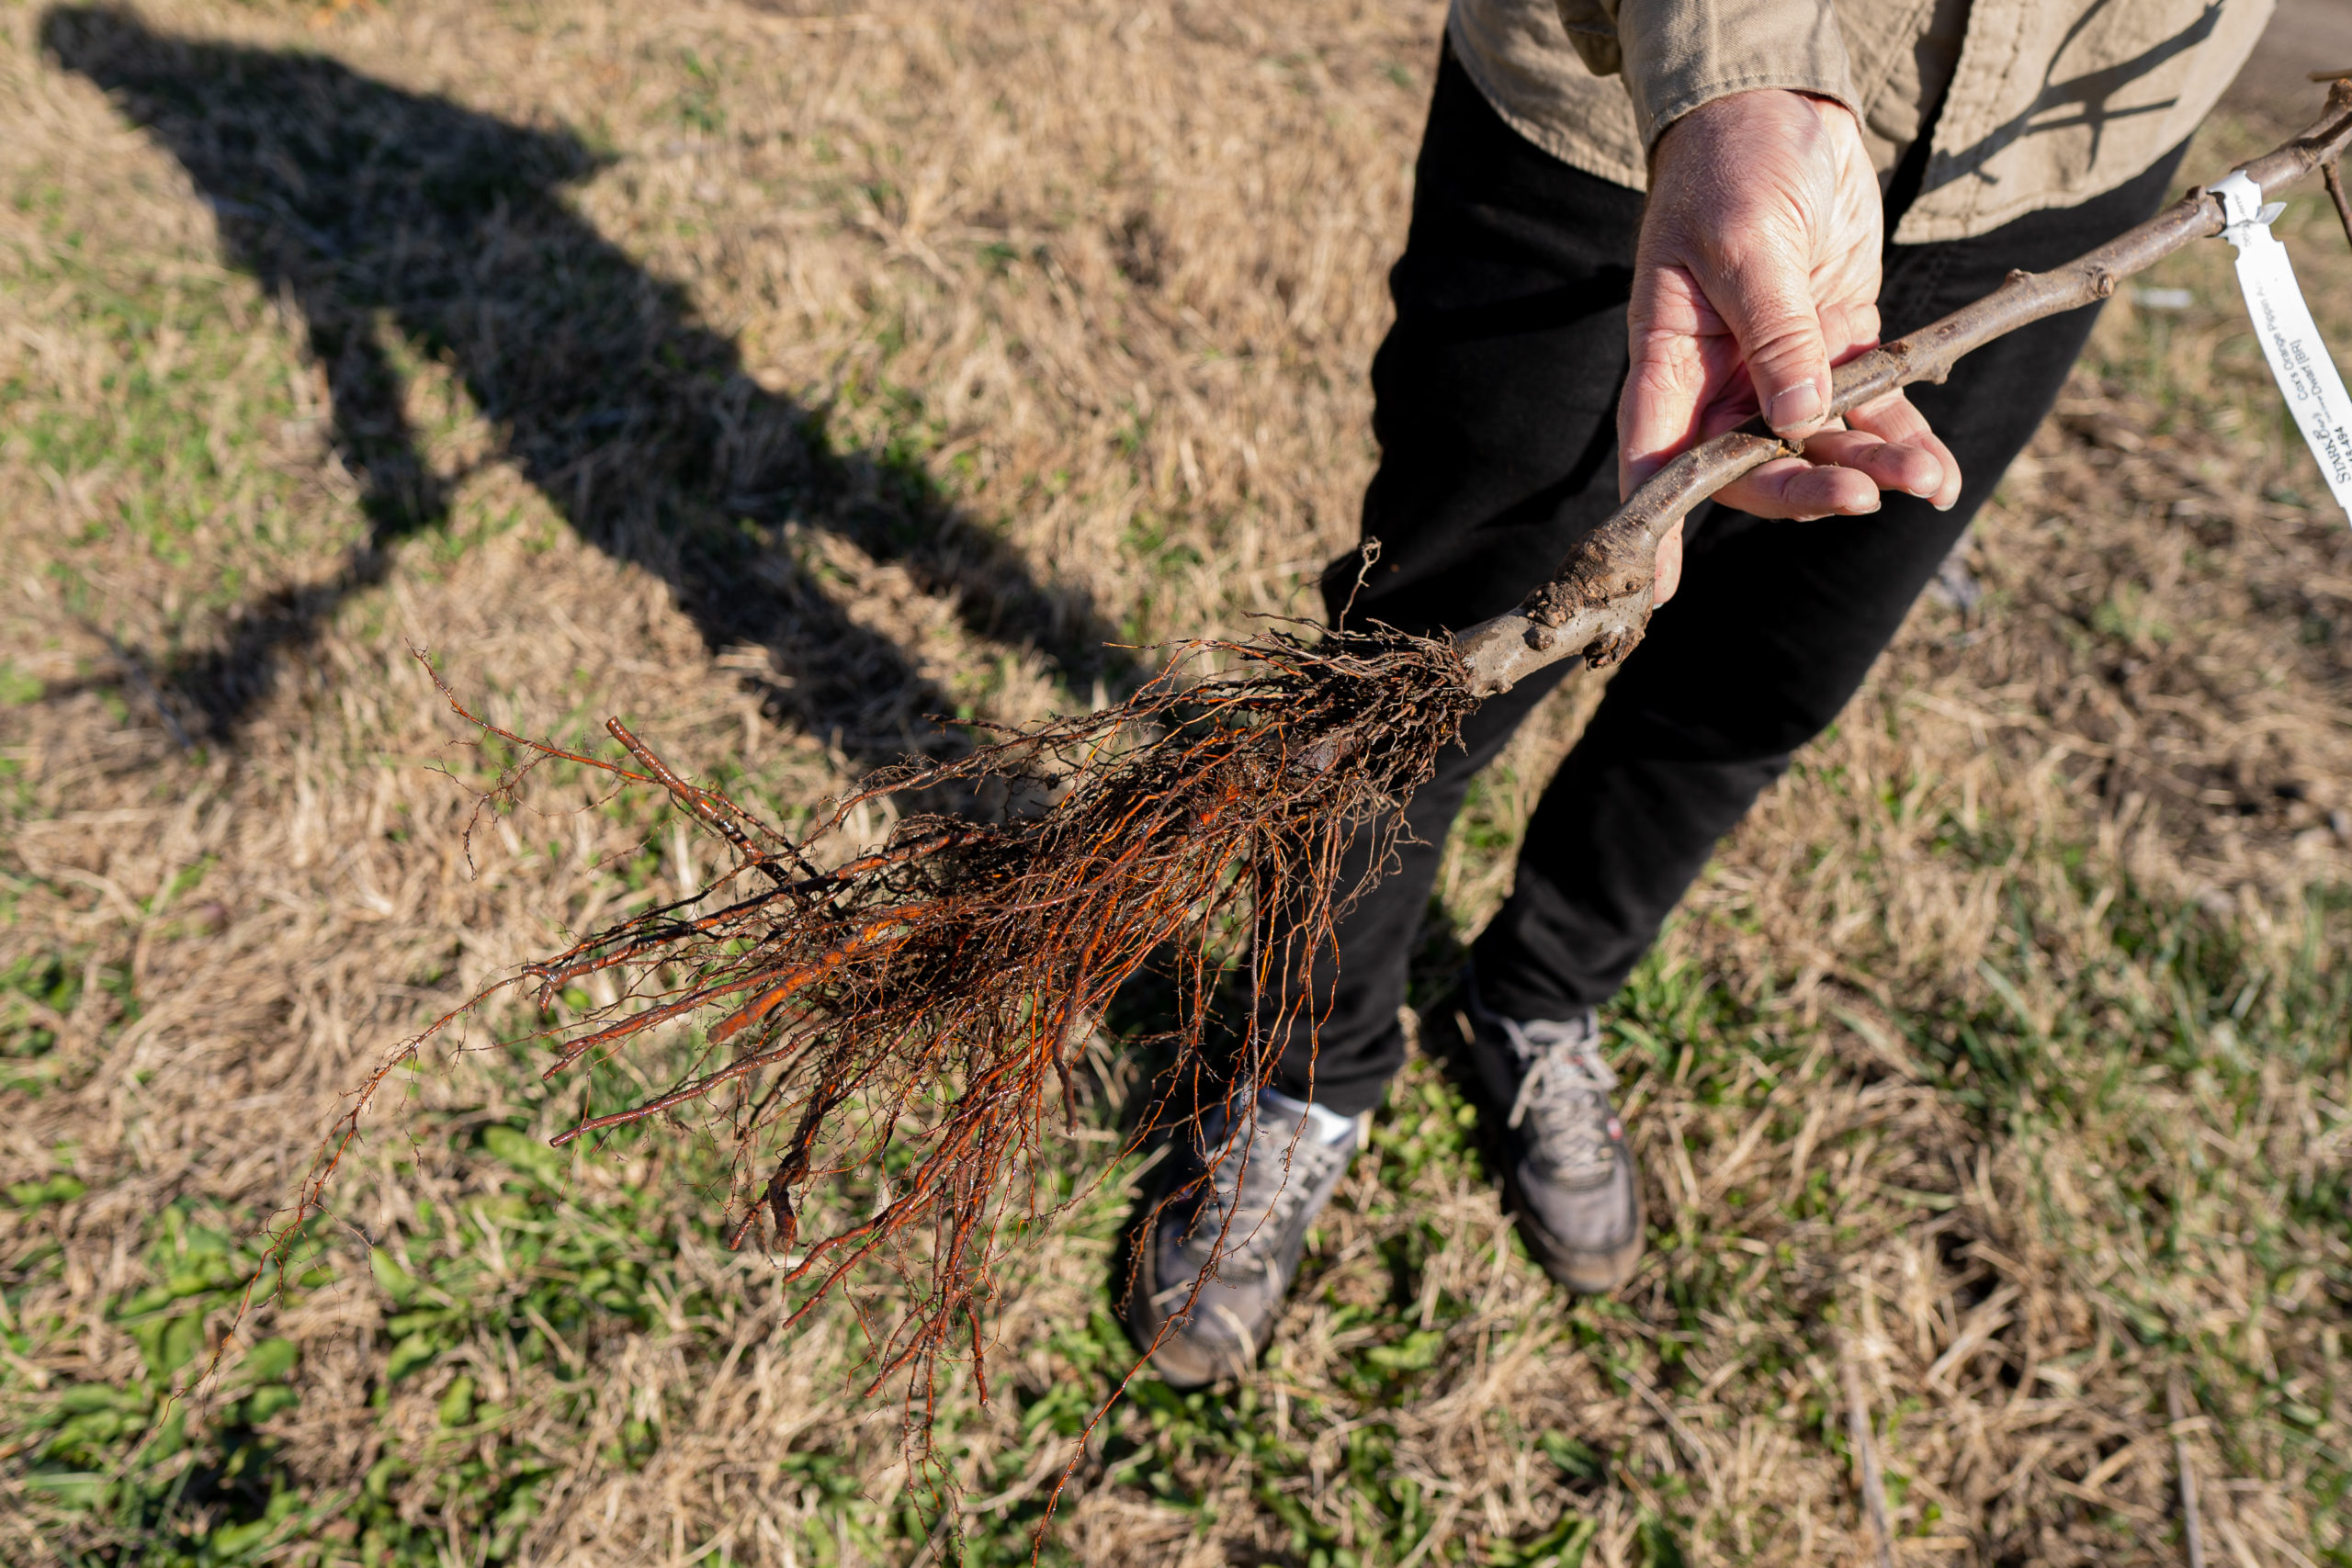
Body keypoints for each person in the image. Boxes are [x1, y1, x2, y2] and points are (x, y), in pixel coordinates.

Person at [1125, 0, 2275, 1387]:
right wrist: (1729, 59)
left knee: (1768, 676)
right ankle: (1305, 1063)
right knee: (1425, 665)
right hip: (1632, 98)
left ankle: (1539, 1000)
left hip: (2061, 159)